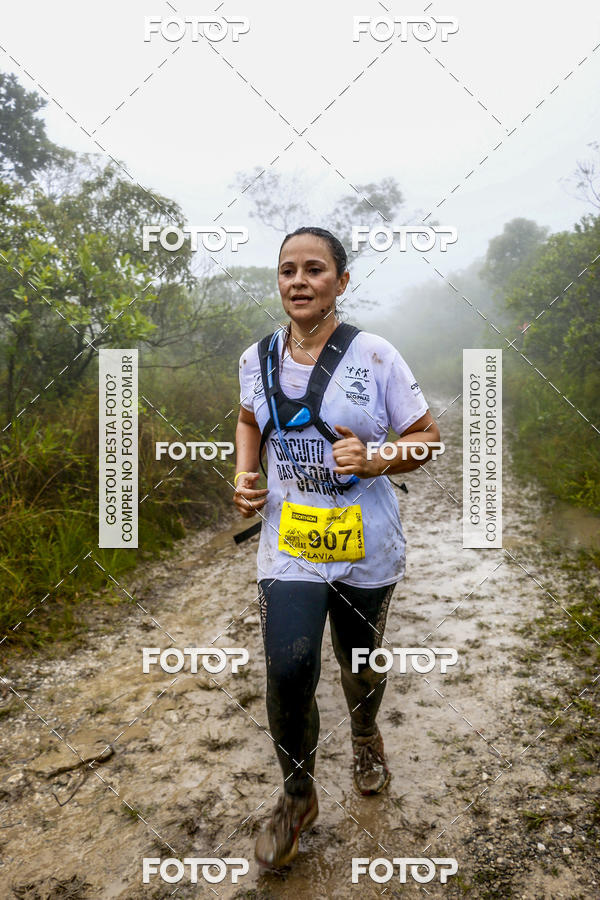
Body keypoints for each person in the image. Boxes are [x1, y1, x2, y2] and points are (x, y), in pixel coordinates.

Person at [233, 226, 441, 868]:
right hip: (289, 543)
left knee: (359, 663)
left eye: (314, 269)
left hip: (365, 546)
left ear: (341, 282)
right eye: (287, 270)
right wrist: (246, 473)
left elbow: (427, 437)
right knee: (288, 667)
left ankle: (365, 732)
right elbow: (248, 418)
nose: (299, 281)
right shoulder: (256, 358)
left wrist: (377, 458)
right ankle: (297, 796)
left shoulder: (375, 355)